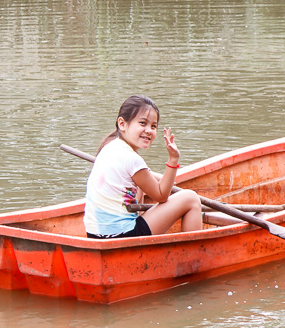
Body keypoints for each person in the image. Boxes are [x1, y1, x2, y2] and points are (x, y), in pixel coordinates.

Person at [83, 95, 202, 239]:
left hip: (94, 235)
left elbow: (140, 175)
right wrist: (173, 159)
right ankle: (193, 252)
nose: (149, 130)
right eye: (142, 123)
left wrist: (157, 177)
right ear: (122, 124)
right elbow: (161, 196)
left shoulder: (109, 147)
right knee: (191, 198)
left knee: (140, 186)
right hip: (122, 235)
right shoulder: (132, 159)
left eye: (153, 126)